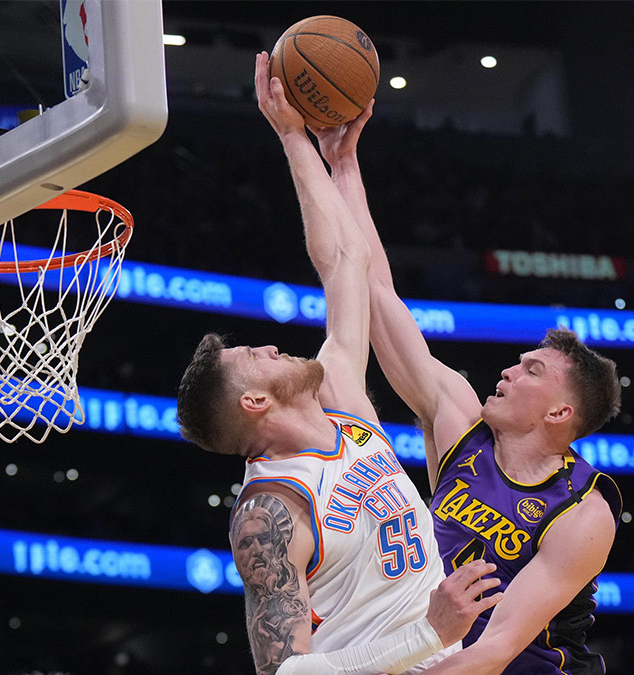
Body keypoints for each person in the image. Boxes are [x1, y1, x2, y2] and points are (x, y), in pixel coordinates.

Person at [176, 52, 503, 675]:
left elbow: (345, 261)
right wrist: (429, 634)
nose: (271, 346)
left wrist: (304, 143)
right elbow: (285, 672)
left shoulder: (345, 409)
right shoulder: (269, 511)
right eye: (255, 357)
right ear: (254, 403)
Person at [308, 98, 624, 674]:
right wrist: (343, 165)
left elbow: (496, 650)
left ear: (559, 413)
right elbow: (378, 292)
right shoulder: (459, 419)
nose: (508, 370)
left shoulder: (583, 511)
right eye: (518, 360)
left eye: (532, 370)